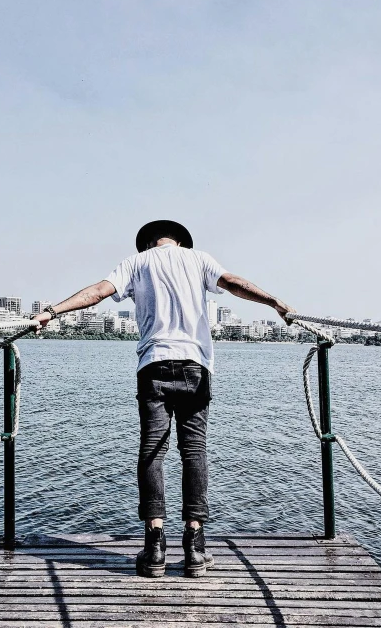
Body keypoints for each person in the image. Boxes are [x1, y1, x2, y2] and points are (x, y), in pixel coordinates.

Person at [33, 220, 295, 578]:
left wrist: (51, 312)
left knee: (152, 449)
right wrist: (273, 301)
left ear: (148, 244)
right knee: (194, 451)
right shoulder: (199, 259)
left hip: (153, 365)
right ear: (180, 241)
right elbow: (235, 284)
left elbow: (96, 292)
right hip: (195, 367)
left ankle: (154, 545)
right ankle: (195, 545)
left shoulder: (135, 263)